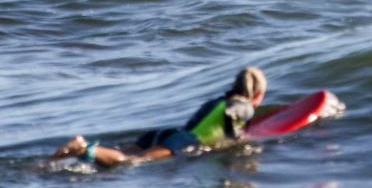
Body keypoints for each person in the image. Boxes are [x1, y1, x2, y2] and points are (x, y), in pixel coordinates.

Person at [50, 66, 267, 168]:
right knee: (129, 162)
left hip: (168, 134)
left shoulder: (216, 101)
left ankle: (65, 156)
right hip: (184, 142)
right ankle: (84, 148)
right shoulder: (245, 106)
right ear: (258, 95)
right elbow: (233, 113)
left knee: (119, 156)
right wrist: (236, 138)